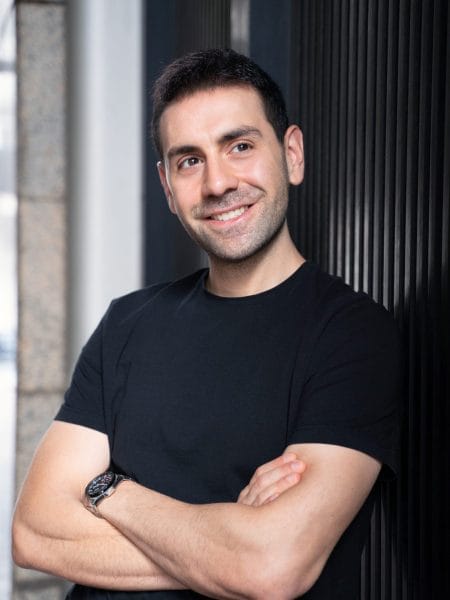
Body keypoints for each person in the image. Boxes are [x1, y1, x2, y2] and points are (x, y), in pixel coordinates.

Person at [12, 48, 401, 599]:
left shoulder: (352, 335)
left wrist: (108, 491)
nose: (217, 183)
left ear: (291, 154)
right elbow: (34, 533)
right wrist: (225, 548)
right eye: (189, 161)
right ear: (168, 188)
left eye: (240, 146)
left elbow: (271, 566)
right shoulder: (127, 323)